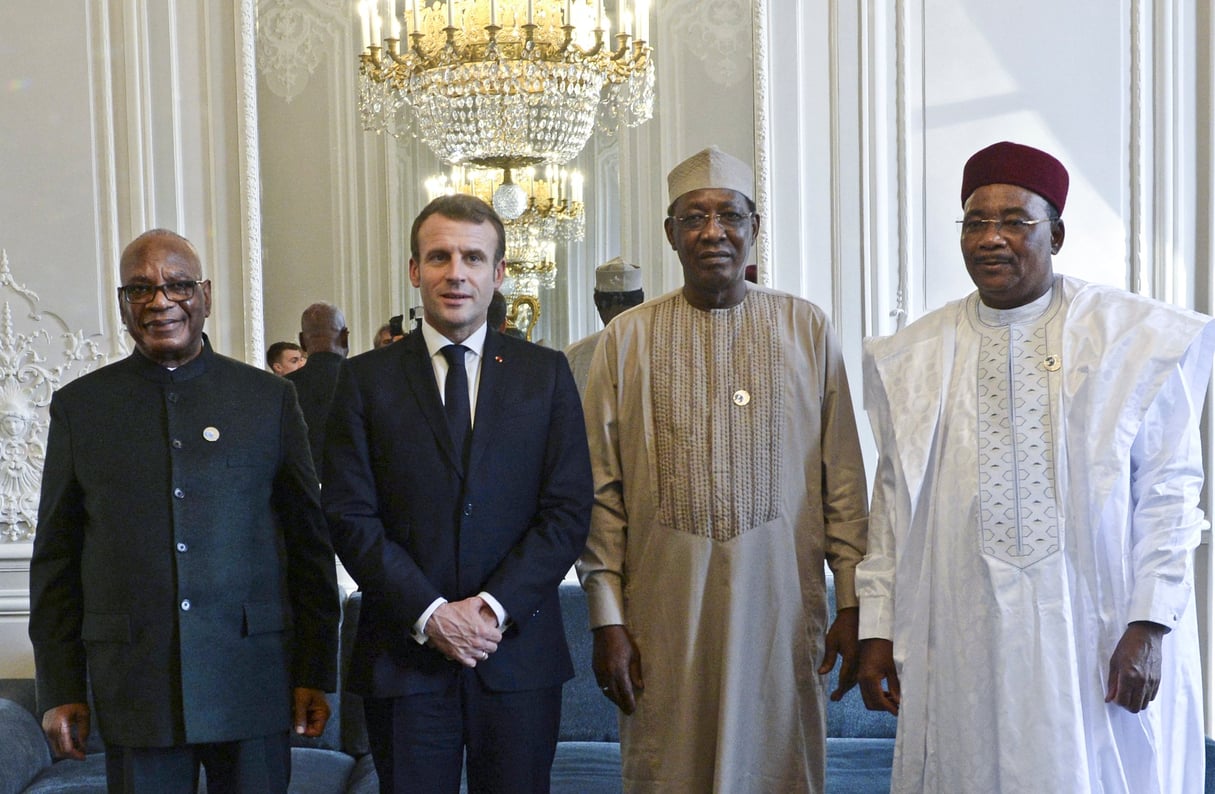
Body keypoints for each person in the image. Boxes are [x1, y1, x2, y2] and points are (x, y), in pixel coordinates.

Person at [856, 141, 1215, 794]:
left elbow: (1169, 493)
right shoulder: (911, 357)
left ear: (1055, 232)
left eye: (1014, 221)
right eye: (974, 222)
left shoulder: (1134, 339)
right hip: (963, 628)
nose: (991, 239)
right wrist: (876, 628)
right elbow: (890, 505)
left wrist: (1149, 623)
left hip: (1096, 626)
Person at [578, 145, 869, 793]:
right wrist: (605, 618)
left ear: (753, 227)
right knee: (668, 766)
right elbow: (599, 495)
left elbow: (843, 481)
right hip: (663, 617)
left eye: (729, 215)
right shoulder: (625, 340)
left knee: (777, 765)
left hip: (781, 608)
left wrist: (852, 601)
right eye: (693, 217)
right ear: (670, 234)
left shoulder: (805, 329)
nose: (713, 232)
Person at [29, 228, 341, 793]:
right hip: (136, 688)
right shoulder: (82, 407)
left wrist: (316, 670)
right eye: (140, 289)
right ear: (123, 302)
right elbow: (56, 559)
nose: (160, 301)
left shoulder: (268, 399)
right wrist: (61, 688)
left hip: (252, 678)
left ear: (206, 294)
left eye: (178, 285)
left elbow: (308, 544)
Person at [323, 194, 592, 794]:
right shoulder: (363, 381)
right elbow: (349, 516)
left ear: (498, 274)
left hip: (516, 655)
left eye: (473, 257)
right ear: (415, 271)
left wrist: (489, 609)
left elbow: (568, 512)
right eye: (439, 256)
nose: (456, 273)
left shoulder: (545, 374)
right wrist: (432, 614)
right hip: (405, 656)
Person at [563, 257, 644, 398]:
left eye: (626, 303)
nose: (620, 312)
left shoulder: (574, 355)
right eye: (613, 303)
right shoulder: (574, 357)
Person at [286, 301, 349, 474]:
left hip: (301, 494)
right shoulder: (367, 381)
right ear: (344, 337)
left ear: (301, 341)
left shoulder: (282, 389)